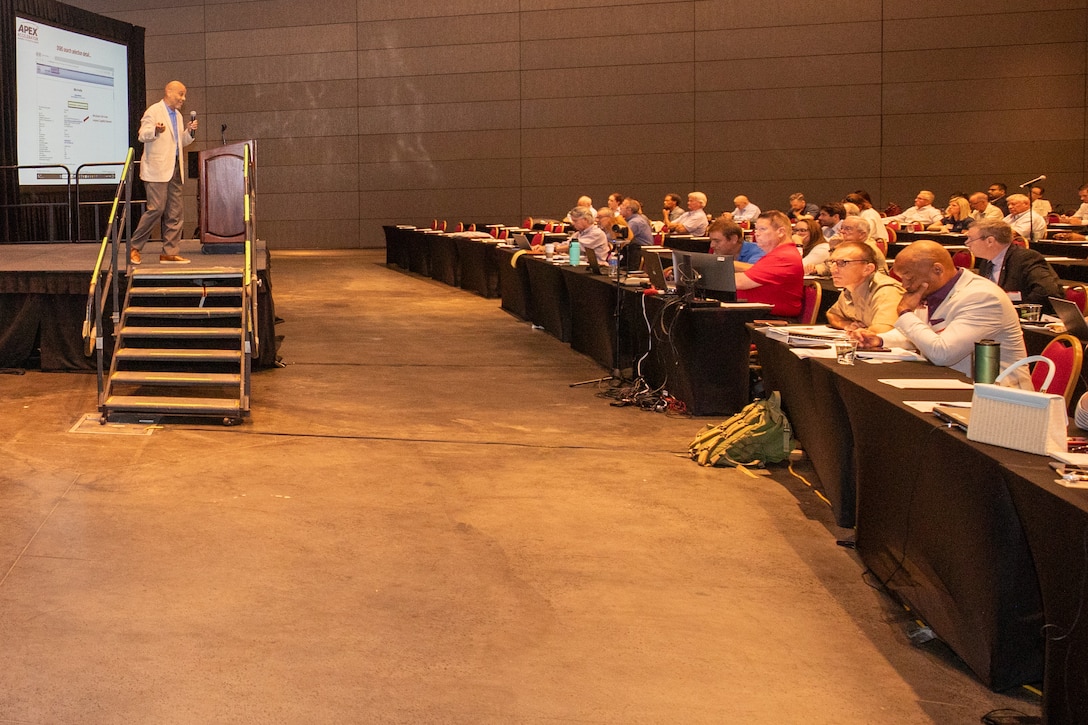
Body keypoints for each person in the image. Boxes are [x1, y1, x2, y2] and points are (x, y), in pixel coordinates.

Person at [851, 241, 1031, 386]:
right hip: (958, 384)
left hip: (1002, 396)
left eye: (909, 277)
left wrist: (905, 312)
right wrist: (880, 340)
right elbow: (921, 335)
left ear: (937, 270)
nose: (905, 285)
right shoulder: (933, 289)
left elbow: (942, 353)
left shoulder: (983, 297)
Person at [129, 80, 197, 265]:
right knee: (157, 208)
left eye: (184, 95)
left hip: (175, 168)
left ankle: (170, 252)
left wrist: (189, 133)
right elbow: (142, 135)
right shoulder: (154, 111)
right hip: (157, 169)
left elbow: (178, 142)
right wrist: (155, 130)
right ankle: (134, 247)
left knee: (175, 212)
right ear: (169, 92)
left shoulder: (178, 115)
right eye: (180, 94)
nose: (183, 98)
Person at [967, 218, 1063, 312]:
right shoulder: (987, 262)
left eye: (970, 239)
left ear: (990, 241)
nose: (967, 243)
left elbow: (1047, 291)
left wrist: (1016, 311)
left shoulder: (1026, 258)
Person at [734, 210, 803, 318]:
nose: (756, 233)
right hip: (757, 314)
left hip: (771, 320)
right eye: (756, 229)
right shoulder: (778, 254)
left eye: (762, 229)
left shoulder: (783, 257)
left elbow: (740, 282)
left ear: (780, 232)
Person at [825, 241, 904, 334]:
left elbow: (882, 332)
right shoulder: (850, 288)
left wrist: (860, 333)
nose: (833, 269)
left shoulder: (887, 291)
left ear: (868, 269)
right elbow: (832, 314)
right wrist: (847, 325)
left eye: (842, 263)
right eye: (832, 262)